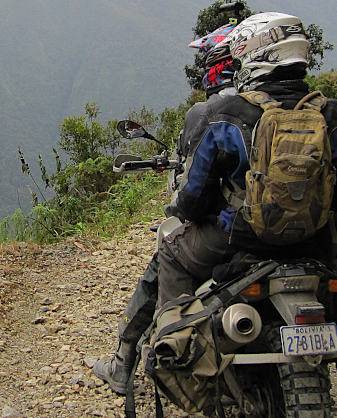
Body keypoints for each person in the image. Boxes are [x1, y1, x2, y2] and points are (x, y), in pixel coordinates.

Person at [93, 13, 337, 394]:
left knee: (171, 255)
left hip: (239, 238)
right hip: (313, 241)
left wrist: (194, 211)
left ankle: (160, 356)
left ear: (255, 56)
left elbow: (192, 198)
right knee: (327, 258)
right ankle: (329, 336)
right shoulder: (336, 116)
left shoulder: (228, 115)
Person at [93, 23, 240, 395]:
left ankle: (129, 360)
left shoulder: (210, 113)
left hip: (231, 231)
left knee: (166, 257)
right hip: (297, 233)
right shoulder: (297, 108)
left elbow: (194, 190)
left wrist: (182, 205)